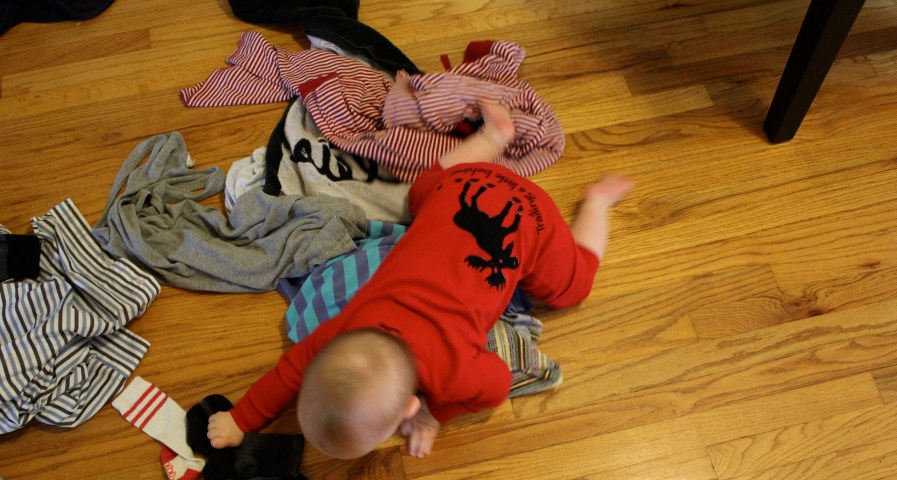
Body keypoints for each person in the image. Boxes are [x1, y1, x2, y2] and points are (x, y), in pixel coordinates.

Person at [207, 100, 633, 459]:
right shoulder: (341, 333)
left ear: (411, 406)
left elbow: (496, 382)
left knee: (573, 287)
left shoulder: (451, 375)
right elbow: (287, 374)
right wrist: (240, 418)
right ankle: (491, 139)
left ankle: (596, 204)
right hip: (466, 184)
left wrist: (435, 414)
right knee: (420, 193)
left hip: (530, 219)